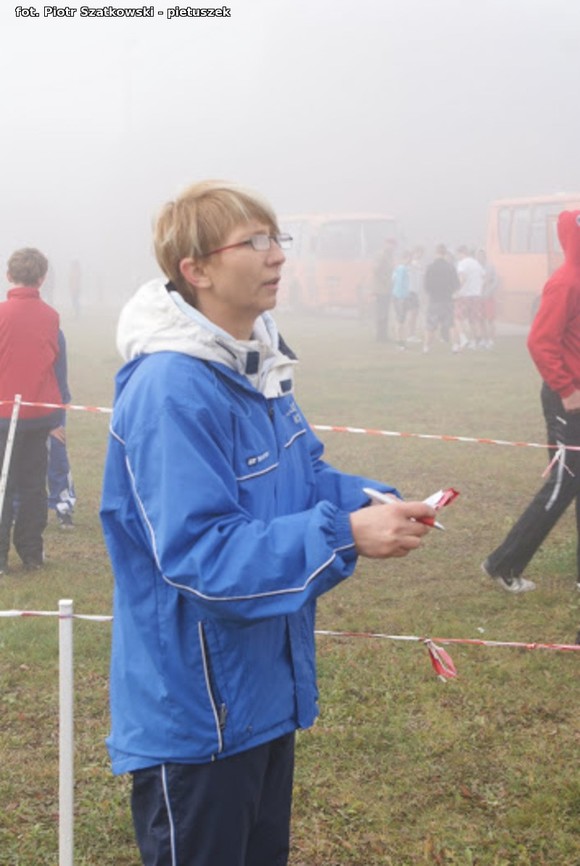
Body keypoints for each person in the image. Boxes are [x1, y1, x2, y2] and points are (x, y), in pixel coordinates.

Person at [99, 180, 436, 866]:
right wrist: (345, 535)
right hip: (198, 717)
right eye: (254, 242)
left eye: (277, 237)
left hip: (259, 699)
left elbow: (303, 476)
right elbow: (201, 556)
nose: (277, 254)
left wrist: (370, 501)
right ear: (196, 269)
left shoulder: (256, 363)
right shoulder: (172, 389)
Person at [482, 209, 580, 593]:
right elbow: (540, 341)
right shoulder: (564, 282)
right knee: (563, 484)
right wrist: (567, 390)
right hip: (567, 400)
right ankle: (503, 564)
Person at [0, 248, 65, 574]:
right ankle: (31, 554)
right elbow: (56, 366)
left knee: (3, 484)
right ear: (42, 279)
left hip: (2, 414)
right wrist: (57, 416)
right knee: (33, 485)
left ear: (9, 276)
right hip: (39, 414)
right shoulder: (51, 317)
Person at [48, 329, 76, 529]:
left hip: (51, 404)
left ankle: (64, 506)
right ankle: (14, 508)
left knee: (56, 454)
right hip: (16, 405)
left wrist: (55, 417)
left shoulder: (53, 331)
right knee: (17, 456)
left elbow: (59, 373)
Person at [422, 243, 460, 353]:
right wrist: (451, 292)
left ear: (436, 253)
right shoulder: (450, 267)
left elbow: (426, 285)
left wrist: (430, 293)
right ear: (445, 254)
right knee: (451, 324)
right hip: (448, 299)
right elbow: (457, 284)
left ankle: (426, 347)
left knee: (431, 325)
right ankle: (455, 346)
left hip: (434, 299)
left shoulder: (430, 267)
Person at [455, 245, 485, 349]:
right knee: (474, 320)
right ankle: (477, 341)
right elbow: (483, 276)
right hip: (476, 295)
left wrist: (457, 291)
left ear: (461, 253)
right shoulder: (476, 263)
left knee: (457, 318)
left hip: (465, 295)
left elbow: (462, 278)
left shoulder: (462, 263)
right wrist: (479, 288)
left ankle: (463, 339)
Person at [373, 238, 395, 342]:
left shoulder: (389, 256)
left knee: (385, 312)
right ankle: (380, 335)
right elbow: (376, 270)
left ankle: (383, 335)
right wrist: (384, 280)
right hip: (381, 288)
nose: (392, 247)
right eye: (390, 244)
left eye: (393, 245)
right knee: (381, 312)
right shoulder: (381, 255)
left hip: (387, 288)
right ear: (386, 244)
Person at [476, 248, 498, 349]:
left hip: (488, 297)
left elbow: (496, 281)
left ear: (484, 256)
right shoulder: (475, 267)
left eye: (481, 255)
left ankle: (491, 340)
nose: (479, 257)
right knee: (481, 320)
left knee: (490, 319)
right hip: (478, 297)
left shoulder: (490, 267)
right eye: (478, 255)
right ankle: (484, 339)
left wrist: (489, 292)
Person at [391, 250, 411, 350]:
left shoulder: (398, 269)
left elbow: (393, 280)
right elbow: (399, 283)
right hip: (400, 297)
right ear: (405, 258)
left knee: (401, 319)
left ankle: (401, 341)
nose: (410, 260)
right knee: (400, 320)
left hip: (398, 296)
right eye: (409, 258)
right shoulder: (402, 269)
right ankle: (399, 342)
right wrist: (401, 296)